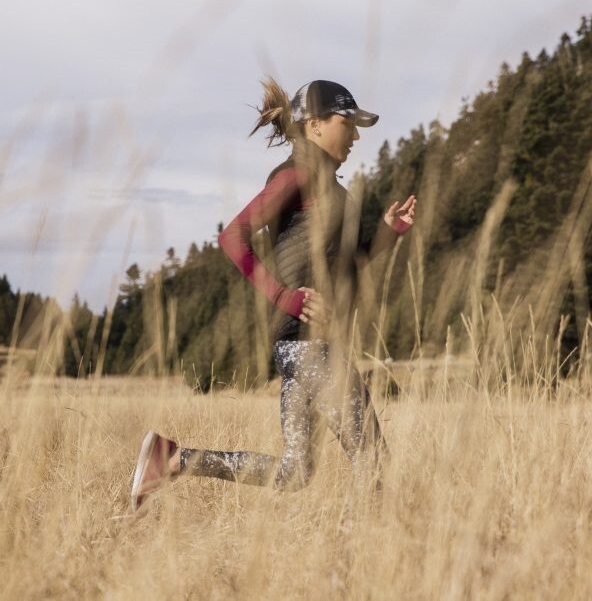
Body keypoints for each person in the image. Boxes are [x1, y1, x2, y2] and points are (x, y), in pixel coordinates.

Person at [131, 78, 417, 509]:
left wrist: (386, 233)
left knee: (295, 471)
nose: (356, 135)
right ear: (316, 124)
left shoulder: (329, 184)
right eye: (348, 123)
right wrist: (284, 296)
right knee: (371, 455)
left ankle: (172, 460)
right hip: (309, 346)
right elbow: (233, 236)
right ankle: (371, 559)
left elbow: (344, 262)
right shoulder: (299, 173)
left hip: (300, 347)